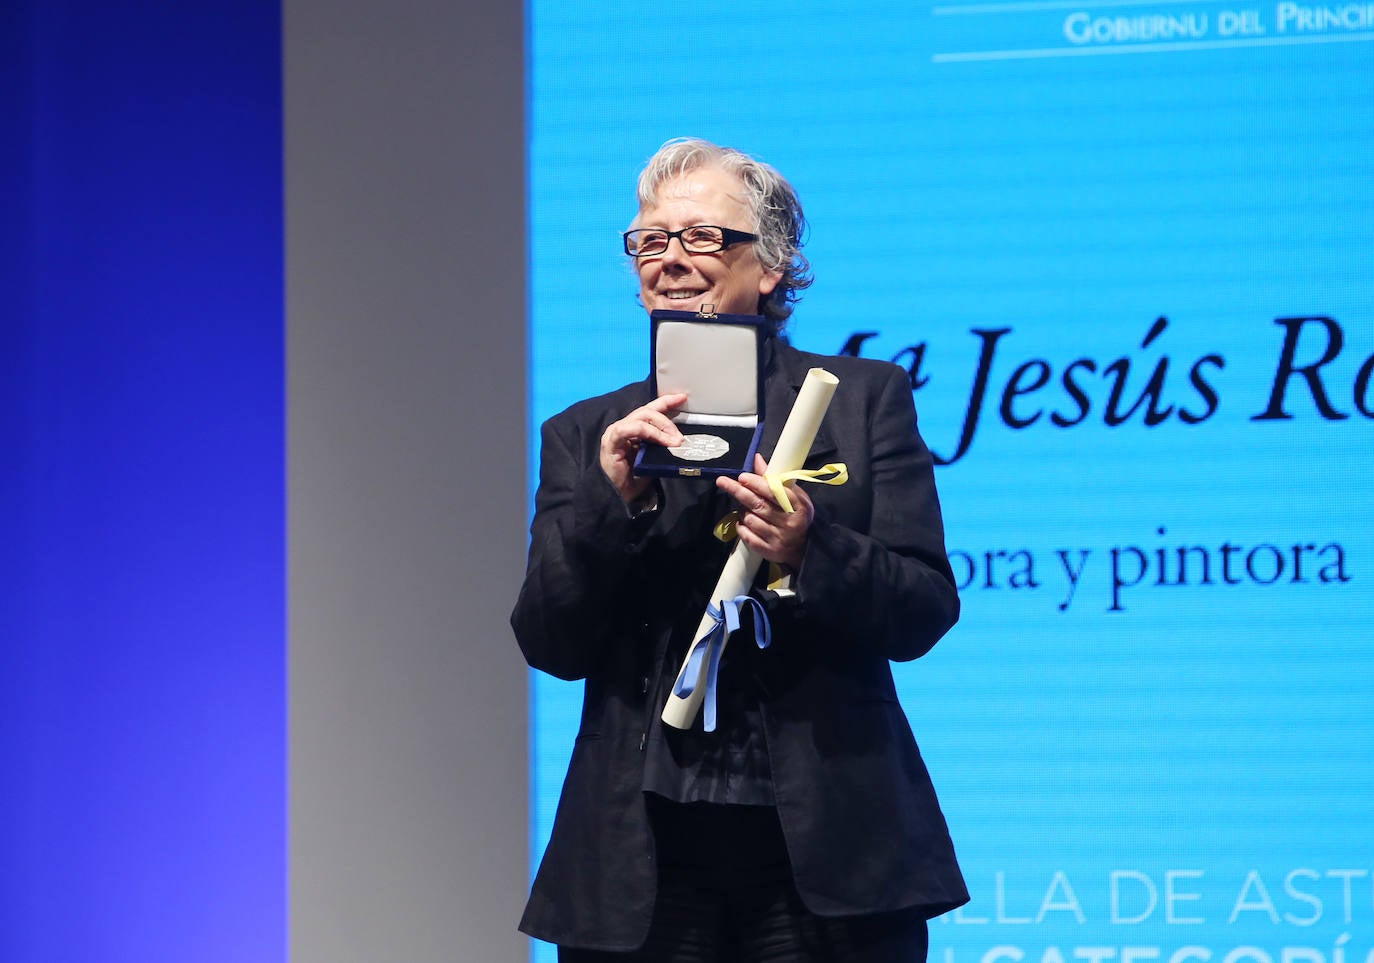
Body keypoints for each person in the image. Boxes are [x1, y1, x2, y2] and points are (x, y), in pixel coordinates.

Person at [512, 137, 968, 962]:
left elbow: (924, 608)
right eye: (651, 240)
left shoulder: (862, 402)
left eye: (702, 237)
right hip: (644, 863)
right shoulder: (587, 434)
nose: (670, 260)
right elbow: (550, 641)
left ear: (771, 267)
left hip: (829, 856)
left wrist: (808, 546)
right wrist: (611, 506)